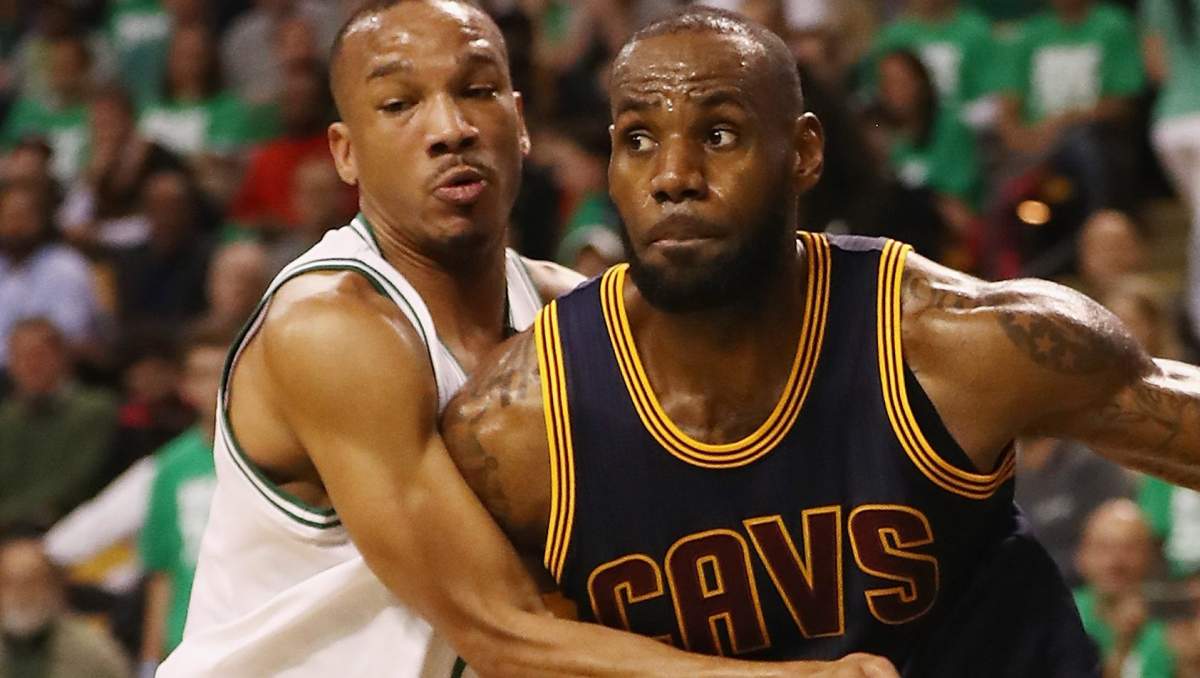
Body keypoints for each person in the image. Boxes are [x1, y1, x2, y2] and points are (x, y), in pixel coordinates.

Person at [441, 7, 1200, 675]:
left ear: (803, 151)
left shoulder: (952, 340)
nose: (673, 175)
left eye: (719, 134)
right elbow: (506, 647)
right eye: (639, 139)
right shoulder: (519, 426)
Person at [160, 2, 886, 676]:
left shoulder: (566, 312)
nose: (450, 128)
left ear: (521, 120)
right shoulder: (329, 325)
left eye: (477, 91)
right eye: (400, 104)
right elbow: (501, 630)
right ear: (345, 153)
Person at [139, 329, 227, 671]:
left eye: (224, 371)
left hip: (253, 634)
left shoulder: (274, 459)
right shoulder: (171, 466)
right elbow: (162, 570)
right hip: (187, 640)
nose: (216, 385)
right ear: (185, 387)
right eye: (203, 375)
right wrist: (151, 658)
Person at [0, 533, 130, 678]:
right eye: (9, 583)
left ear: (54, 588)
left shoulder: (92, 653)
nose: (21, 595)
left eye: (32, 583)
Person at [1074, 500, 1174, 677]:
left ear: (1151, 556)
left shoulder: (1173, 625)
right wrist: (1122, 645)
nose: (1114, 562)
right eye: (1103, 548)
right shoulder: (1057, 614)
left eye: (1128, 549)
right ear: (1081, 555)